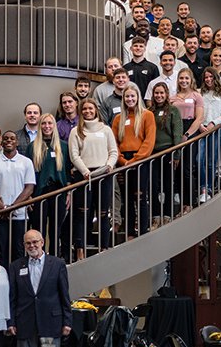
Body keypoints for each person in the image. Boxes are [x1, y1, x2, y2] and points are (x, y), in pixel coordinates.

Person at [8, 230, 72, 347]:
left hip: (52, 322)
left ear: (42, 242)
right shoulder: (15, 266)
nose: (32, 246)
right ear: (24, 246)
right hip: (24, 322)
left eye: (35, 242)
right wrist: (11, 322)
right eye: (28, 243)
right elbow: (12, 297)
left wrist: (67, 321)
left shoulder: (57, 264)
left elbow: (64, 295)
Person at [68, 99, 118, 258]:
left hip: (104, 175)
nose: (87, 111)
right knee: (82, 213)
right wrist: (84, 171)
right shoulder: (76, 131)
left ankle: (104, 247)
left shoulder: (106, 129)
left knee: (103, 213)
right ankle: (80, 249)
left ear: (96, 110)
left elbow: (113, 151)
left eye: (90, 108)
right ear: (81, 111)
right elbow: (74, 155)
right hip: (83, 176)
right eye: (84, 109)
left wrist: (110, 165)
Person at [0, 131, 35, 268]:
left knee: (19, 251)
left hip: (19, 216)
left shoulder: (26, 162)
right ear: (1, 141)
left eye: (12, 138)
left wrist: (12, 207)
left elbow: (29, 188)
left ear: (17, 142)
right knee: (0, 252)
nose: (9, 140)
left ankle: (17, 284)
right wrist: (3, 208)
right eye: (5, 138)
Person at [111, 85, 155, 239]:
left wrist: (135, 160)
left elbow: (149, 141)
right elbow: (114, 143)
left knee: (140, 198)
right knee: (127, 199)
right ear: (123, 99)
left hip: (140, 160)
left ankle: (142, 231)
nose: (130, 99)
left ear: (138, 97)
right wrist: (123, 161)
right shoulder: (118, 118)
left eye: (132, 96)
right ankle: (129, 233)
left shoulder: (147, 115)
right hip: (123, 161)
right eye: (127, 97)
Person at [27, 113, 71, 257]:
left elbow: (68, 170)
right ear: (40, 126)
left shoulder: (63, 146)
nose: (47, 126)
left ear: (54, 126)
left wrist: (69, 193)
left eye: (50, 123)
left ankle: (54, 258)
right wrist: (28, 197)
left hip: (59, 192)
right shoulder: (32, 147)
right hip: (39, 193)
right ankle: (38, 257)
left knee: (55, 229)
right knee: (38, 228)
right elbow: (27, 173)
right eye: (44, 124)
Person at [170, 68, 205, 215]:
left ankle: (190, 202)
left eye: (186, 78)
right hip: (176, 130)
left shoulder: (196, 96)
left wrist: (187, 134)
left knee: (187, 169)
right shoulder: (172, 98)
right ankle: (181, 203)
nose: (184, 81)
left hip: (191, 130)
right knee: (176, 170)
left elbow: (200, 118)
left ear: (191, 80)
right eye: (181, 78)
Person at [148, 83, 182, 229]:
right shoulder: (150, 111)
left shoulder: (173, 110)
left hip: (168, 152)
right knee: (153, 186)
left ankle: (167, 215)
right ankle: (156, 216)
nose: (159, 96)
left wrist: (176, 154)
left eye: (162, 93)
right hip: (153, 154)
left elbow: (177, 133)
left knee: (168, 185)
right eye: (156, 93)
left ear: (167, 94)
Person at [198, 68, 221, 203]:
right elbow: (196, 112)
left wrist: (214, 123)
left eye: (211, 77)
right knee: (199, 160)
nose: (208, 80)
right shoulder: (199, 93)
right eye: (206, 77)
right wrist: (200, 125)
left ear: (216, 78)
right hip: (201, 131)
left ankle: (207, 189)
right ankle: (203, 187)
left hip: (216, 130)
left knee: (211, 161)